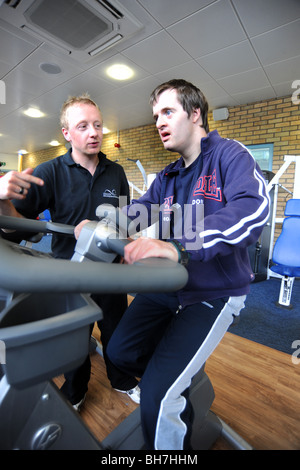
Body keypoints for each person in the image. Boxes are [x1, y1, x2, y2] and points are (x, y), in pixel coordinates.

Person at [105, 79, 270, 450]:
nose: (158, 122)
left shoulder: (229, 154)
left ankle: (167, 394)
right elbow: (135, 212)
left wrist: (178, 245)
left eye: (167, 112)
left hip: (215, 293)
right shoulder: (168, 176)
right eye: (155, 116)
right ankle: (175, 385)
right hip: (171, 286)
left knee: (159, 395)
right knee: (119, 352)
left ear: (196, 113)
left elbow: (254, 209)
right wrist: (99, 225)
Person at [0, 94, 140, 408]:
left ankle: (122, 380)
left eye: (98, 125)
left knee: (116, 333)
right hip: (70, 271)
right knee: (74, 339)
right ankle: (75, 395)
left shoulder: (115, 172)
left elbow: (124, 216)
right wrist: (3, 202)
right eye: (83, 126)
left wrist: (127, 244)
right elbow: (18, 228)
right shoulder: (50, 172)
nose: (94, 132)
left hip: (109, 272)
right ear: (67, 133)